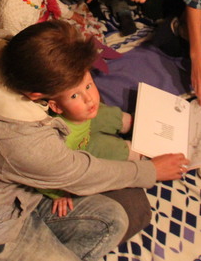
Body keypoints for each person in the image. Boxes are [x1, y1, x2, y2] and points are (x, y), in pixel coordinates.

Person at [0, 20, 189, 261]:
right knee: (127, 209)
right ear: (37, 96)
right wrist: (150, 170)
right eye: (73, 93)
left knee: (117, 219)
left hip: (17, 192)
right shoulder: (23, 142)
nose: (88, 95)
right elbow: (82, 172)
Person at [40, 69, 139, 217]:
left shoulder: (87, 106)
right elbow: (45, 171)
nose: (89, 98)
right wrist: (57, 194)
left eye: (88, 86)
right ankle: (140, 152)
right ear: (57, 107)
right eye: (74, 96)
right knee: (113, 149)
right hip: (79, 149)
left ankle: (133, 123)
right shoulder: (59, 139)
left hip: (83, 127)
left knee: (105, 113)